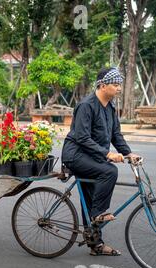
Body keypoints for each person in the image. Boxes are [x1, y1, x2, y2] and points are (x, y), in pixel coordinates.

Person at [61, 67, 140, 256]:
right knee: (109, 171)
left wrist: (128, 153)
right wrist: (107, 154)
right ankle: (98, 214)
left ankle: (95, 244)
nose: (119, 88)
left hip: (91, 157)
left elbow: (116, 135)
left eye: (120, 84)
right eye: (115, 84)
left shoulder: (111, 107)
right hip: (76, 155)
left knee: (91, 197)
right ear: (102, 85)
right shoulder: (87, 105)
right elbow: (82, 137)